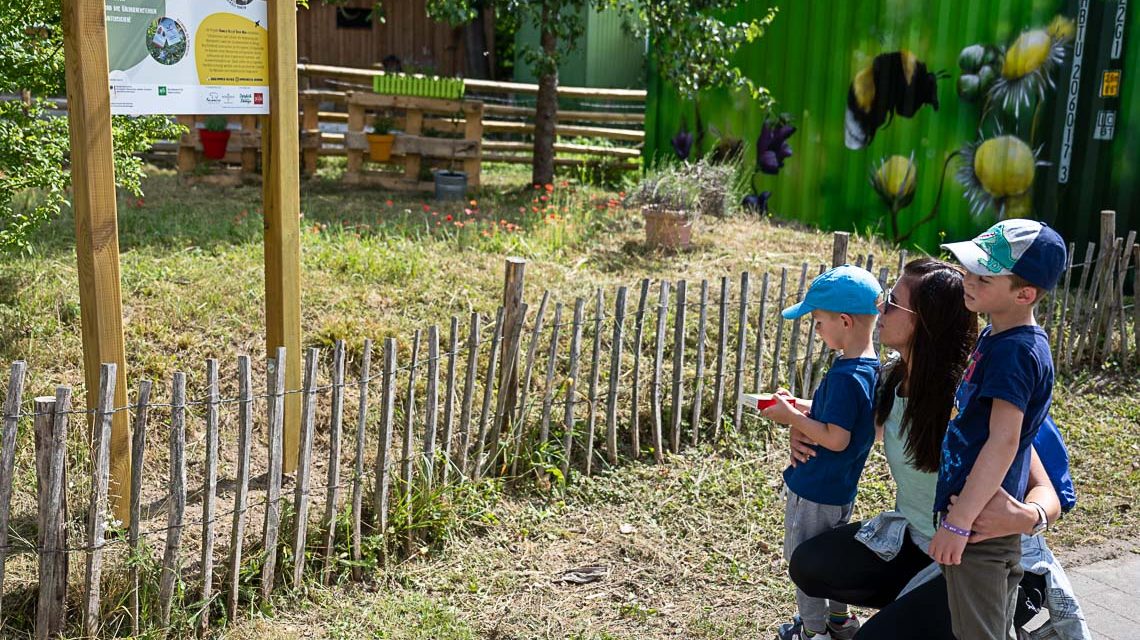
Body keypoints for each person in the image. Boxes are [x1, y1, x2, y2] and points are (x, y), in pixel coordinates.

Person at [788, 257, 1090, 639]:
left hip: (972, 561)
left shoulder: (974, 400)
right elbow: (842, 426)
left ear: (926, 321)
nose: (879, 308)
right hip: (917, 543)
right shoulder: (891, 378)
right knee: (809, 565)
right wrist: (800, 427)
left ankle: (994, 610)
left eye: (893, 302)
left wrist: (1028, 517)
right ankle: (918, 609)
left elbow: (1047, 492)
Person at [931, 220, 1067, 639]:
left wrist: (959, 522)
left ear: (1024, 294)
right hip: (977, 521)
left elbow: (1005, 441)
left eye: (983, 276)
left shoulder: (1015, 352)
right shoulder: (999, 334)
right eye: (969, 269)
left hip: (979, 528)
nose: (967, 280)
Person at [761, 265, 883, 640]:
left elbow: (836, 438)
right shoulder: (867, 369)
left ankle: (814, 632)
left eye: (818, 321)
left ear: (844, 321)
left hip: (815, 487)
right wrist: (800, 405)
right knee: (832, 558)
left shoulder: (847, 376)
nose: (816, 330)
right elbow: (843, 417)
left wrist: (791, 418)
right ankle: (840, 621)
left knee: (804, 561)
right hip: (839, 489)